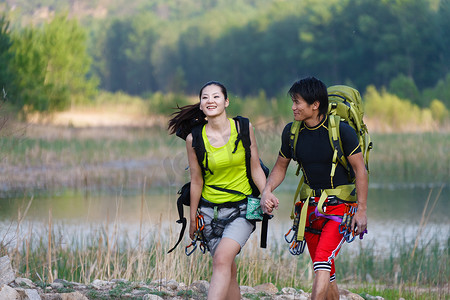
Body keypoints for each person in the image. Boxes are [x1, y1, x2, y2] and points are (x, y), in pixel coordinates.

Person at [261, 77, 368, 300]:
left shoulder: (342, 131)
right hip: (308, 211)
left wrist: (361, 210)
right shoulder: (292, 132)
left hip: (340, 208)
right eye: (293, 101)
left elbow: (361, 171)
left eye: (298, 102)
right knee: (326, 269)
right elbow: (280, 167)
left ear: (315, 104)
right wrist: (267, 190)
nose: (293, 107)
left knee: (322, 260)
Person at [168, 81, 267, 300]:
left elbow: (256, 167)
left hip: (242, 210)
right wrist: (193, 218)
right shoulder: (194, 139)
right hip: (209, 214)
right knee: (227, 269)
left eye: (216, 96)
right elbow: (196, 181)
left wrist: (266, 193)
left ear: (226, 101)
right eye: (205, 97)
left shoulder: (243, 128)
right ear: (201, 105)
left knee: (221, 259)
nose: (210, 101)